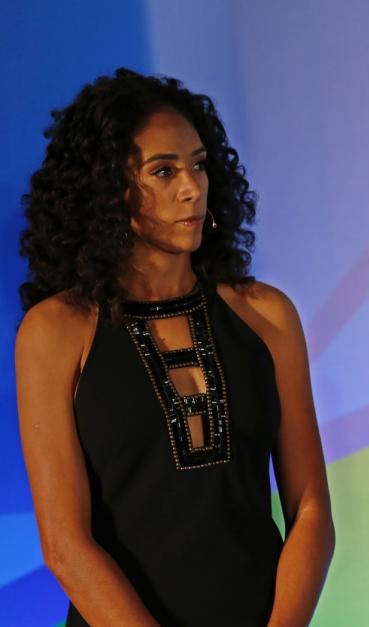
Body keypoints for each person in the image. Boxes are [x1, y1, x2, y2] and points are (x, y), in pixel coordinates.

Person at [15, 69, 334, 626]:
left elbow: (309, 511)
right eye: (163, 171)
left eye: (199, 164)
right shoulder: (55, 331)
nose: (192, 186)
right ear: (109, 190)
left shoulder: (267, 316)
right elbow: (66, 545)